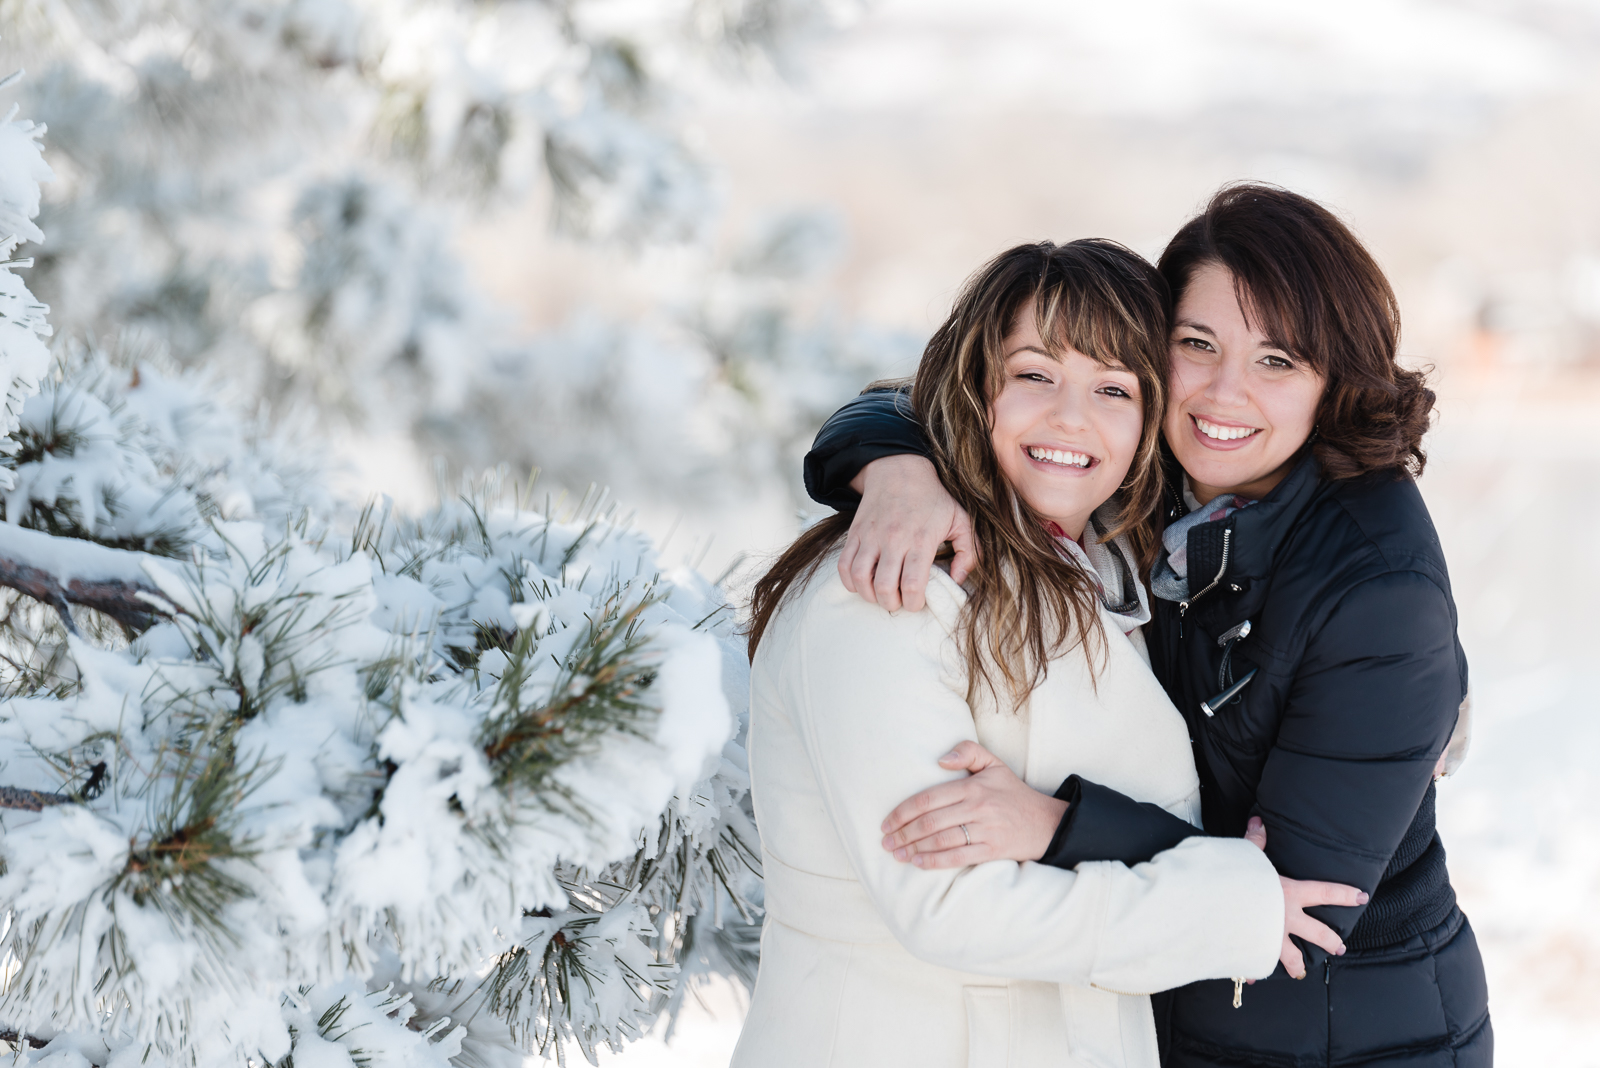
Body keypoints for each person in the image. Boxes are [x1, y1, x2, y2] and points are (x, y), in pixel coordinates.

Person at [805, 185, 1490, 1067]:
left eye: (1277, 361)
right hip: (1176, 1007)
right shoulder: (1154, 470)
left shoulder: (1377, 592)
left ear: (1335, 380)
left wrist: (1056, 827)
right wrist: (896, 470)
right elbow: (953, 400)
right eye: (1197, 345)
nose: (1224, 393)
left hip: (1351, 1026)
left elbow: (1285, 903)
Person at [734, 238, 1364, 1068]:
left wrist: (1377, 683)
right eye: (1035, 374)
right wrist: (1228, 908)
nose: (1072, 417)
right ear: (974, 386)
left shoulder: (1106, 562)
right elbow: (951, 905)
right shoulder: (887, 585)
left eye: (1113, 388)